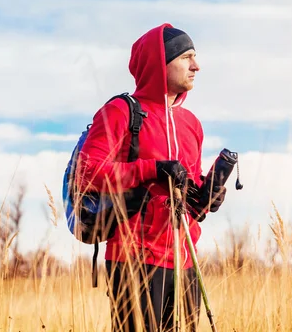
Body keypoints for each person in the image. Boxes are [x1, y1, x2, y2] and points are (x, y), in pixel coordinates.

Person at [74, 24, 227, 332]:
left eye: (195, 57)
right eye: (186, 57)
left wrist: (207, 196)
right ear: (160, 62)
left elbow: (188, 195)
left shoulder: (191, 124)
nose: (196, 66)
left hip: (185, 260)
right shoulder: (120, 111)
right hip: (134, 258)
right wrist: (151, 169)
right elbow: (86, 173)